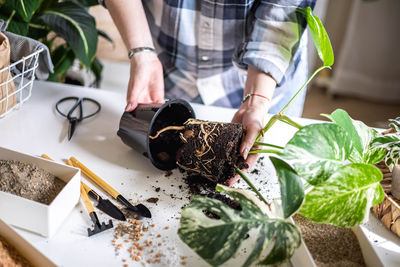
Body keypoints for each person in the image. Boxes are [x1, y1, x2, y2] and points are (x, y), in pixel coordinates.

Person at [101, 0, 314, 171]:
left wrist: (255, 102)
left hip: (262, 81)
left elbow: (283, 11)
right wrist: (142, 53)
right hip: (170, 68)